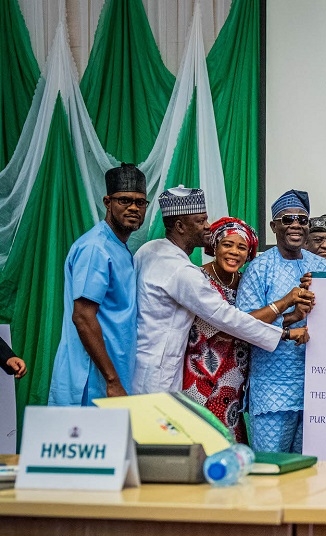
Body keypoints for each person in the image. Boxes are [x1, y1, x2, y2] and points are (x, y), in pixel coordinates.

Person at [133, 187, 306, 396]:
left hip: (146, 360)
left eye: (242, 248)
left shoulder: (148, 250)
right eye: (200, 221)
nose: (207, 227)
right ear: (180, 226)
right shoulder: (183, 272)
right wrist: (285, 333)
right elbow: (225, 318)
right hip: (162, 371)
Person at [182, 217, 314, 443]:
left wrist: (293, 317)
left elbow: (254, 326)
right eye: (227, 244)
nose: (234, 252)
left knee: (234, 450)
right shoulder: (199, 279)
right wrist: (286, 304)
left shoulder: (244, 280)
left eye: (241, 247)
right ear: (215, 246)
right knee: (205, 445)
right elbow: (233, 327)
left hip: (235, 380)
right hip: (203, 378)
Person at [237, 190, 326, 453]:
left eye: (302, 220)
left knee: (308, 474)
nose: (296, 225)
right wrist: (289, 309)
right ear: (273, 226)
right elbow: (244, 324)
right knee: (271, 472)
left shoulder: (320, 267)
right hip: (273, 389)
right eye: (287, 219)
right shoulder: (259, 268)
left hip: (316, 386)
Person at [49, 163, 147, 405]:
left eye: (140, 202)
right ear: (107, 202)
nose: (133, 207)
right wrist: (112, 381)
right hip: (91, 380)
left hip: (111, 378)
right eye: (124, 200)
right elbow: (82, 317)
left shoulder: (119, 248)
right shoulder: (96, 248)